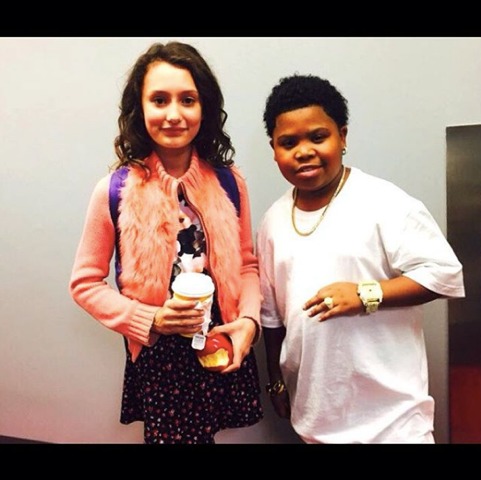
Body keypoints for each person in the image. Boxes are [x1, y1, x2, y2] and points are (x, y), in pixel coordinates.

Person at [69, 41, 263, 444]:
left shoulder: (230, 181)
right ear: (139, 109)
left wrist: (249, 322)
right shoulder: (114, 190)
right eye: (159, 100)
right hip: (161, 356)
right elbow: (84, 284)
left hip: (221, 337)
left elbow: (246, 265)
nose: (174, 114)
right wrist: (150, 319)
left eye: (187, 100)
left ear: (204, 108)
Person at [256, 73, 465, 443]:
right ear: (274, 149)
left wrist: (366, 294)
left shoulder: (383, 202)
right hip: (316, 420)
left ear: (343, 137)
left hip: (395, 423)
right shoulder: (272, 221)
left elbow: (444, 274)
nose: (304, 151)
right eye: (288, 142)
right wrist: (276, 380)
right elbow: (272, 318)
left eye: (318, 137)